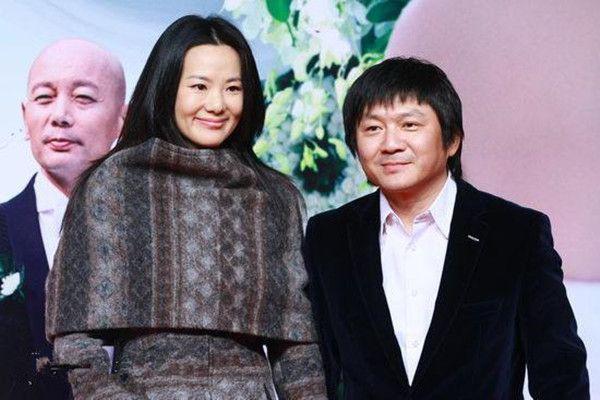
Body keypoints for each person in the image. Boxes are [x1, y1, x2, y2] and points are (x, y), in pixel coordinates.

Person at [45, 15, 326, 399]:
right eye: (199, 86)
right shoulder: (113, 185)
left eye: (233, 88)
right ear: (167, 88)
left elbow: (297, 350)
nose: (217, 104)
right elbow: (76, 343)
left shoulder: (274, 198)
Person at [304, 57, 589, 399]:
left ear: (452, 139)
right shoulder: (329, 237)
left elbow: (560, 374)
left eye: (409, 125)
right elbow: (319, 369)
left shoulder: (516, 234)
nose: (390, 144)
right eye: (373, 128)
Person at [0, 39, 126, 399]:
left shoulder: (157, 233)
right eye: (44, 98)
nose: (60, 115)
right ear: (25, 115)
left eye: (83, 97)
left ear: (123, 120)